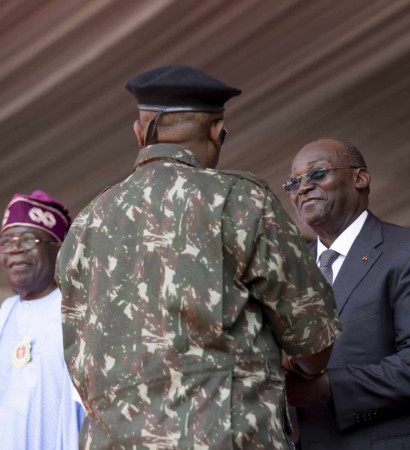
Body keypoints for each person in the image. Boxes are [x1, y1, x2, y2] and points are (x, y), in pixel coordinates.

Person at [56, 65, 341, 449]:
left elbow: (76, 353)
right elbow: (312, 335)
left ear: (139, 133)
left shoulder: (87, 222)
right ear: (216, 131)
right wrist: (306, 370)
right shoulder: (240, 201)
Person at [285, 138, 410, 450]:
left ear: (360, 178)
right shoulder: (291, 271)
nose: (303, 188)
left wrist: (327, 388)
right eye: (293, 182)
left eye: (316, 174)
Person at [0, 190, 83, 449]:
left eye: (29, 240)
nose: (15, 248)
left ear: (60, 249)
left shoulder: (79, 313)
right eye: (6, 241)